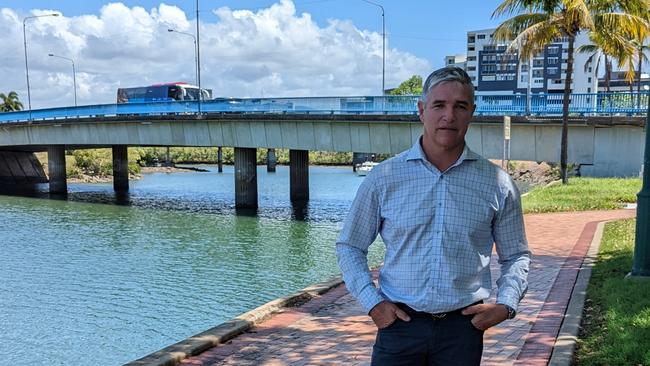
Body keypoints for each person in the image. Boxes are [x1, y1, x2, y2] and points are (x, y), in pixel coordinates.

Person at [336, 66, 531, 365]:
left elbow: (516, 255)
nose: (449, 116)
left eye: (460, 106)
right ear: (421, 110)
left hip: (463, 329)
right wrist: (372, 303)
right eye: (439, 105)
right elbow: (350, 246)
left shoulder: (498, 184)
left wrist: (506, 305)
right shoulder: (384, 178)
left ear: (471, 112)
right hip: (399, 326)